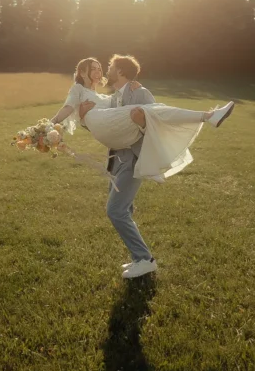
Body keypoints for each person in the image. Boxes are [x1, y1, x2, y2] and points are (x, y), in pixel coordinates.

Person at [49, 55, 234, 278]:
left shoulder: (140, 92)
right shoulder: (112, 98)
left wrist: (142, 123)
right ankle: (139, 258)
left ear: (121, 71)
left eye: (108, 67)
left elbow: (157, 122)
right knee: (124, 210)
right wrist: (82, 118)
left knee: (116, 211)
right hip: (116, 159)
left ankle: (145, 260)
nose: (105, 71)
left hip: (133, 158)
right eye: (96, 68)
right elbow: (105, 123)